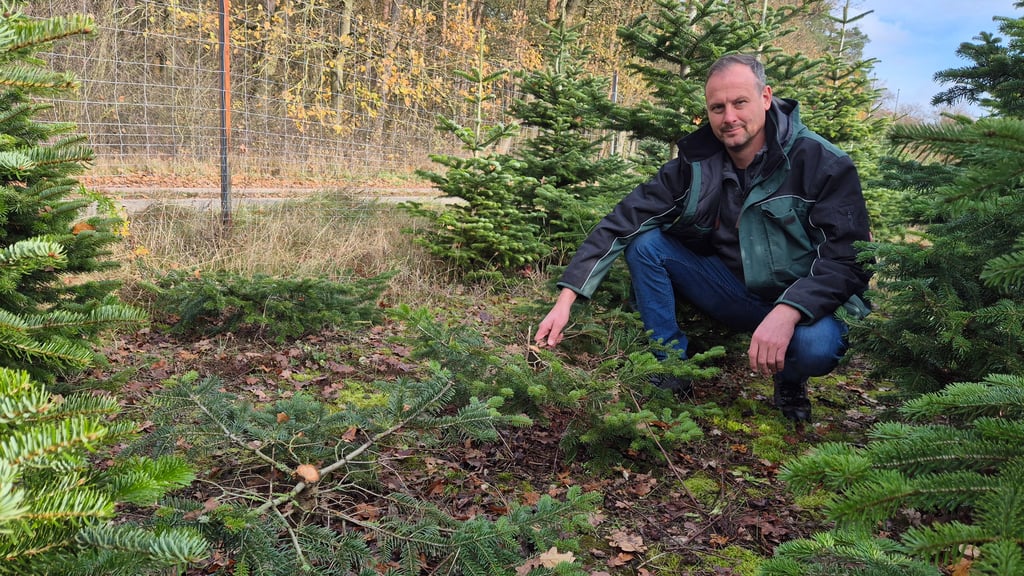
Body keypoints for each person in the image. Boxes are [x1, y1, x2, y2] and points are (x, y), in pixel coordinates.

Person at [534, 53, 872, 422]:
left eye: (740, 102)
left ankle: (791, 381)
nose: (729, 117)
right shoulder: (694, 164)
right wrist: (567, 298)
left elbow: (847, 259)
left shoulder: (823, 163)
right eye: (717, 107)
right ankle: (670, 370)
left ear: (765, 97)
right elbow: (623, 220)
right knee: (647, 245)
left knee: (816, 348)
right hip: (732, 290)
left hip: (803, 305)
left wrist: (789, 310)